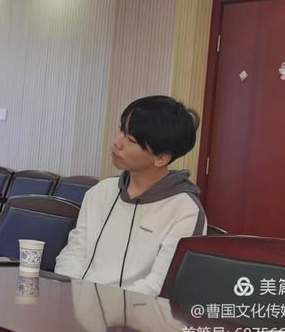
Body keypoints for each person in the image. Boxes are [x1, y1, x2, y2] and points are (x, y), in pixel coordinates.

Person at [54, 95, 206, 296]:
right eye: (121, 130)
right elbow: (73, 253)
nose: (117, 142)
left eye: (131, 140)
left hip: (136, 312)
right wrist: (72, 296)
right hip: (76, 304)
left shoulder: (185, 210)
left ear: (161, 158)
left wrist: (106, 306)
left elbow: (160, 283)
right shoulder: (99, 192)